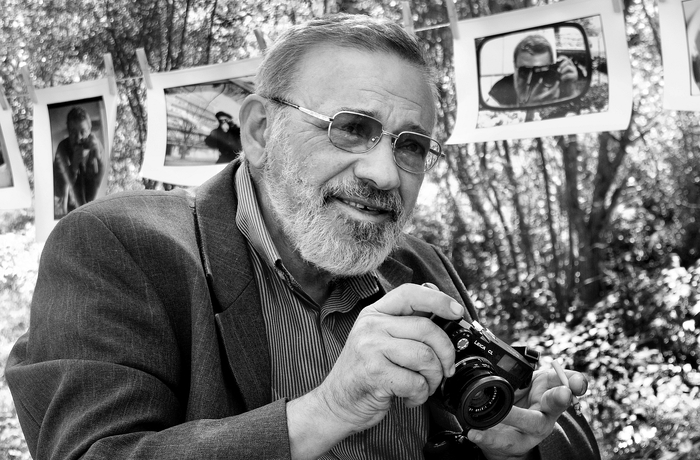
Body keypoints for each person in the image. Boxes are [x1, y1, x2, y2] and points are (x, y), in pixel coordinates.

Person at [6, 14, 600, 460]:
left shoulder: (419, 268)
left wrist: (511, 444)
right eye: (352, 129)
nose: (384, 174)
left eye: (412, 146)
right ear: (259, 131)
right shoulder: (120, 244)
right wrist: (328, 409)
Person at [488, 34, 580, 107]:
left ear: (552, 68)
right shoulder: (501, 88)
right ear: (514, 67)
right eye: (524, 72)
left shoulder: (561, 84)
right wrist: (530, 107)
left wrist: (571, 91)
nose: (532, 79)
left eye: (542, 72)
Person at [52, 106, 105, 218]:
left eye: (83, 131)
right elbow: (58, 190)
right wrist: (73, 167)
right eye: (73, 132)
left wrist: (99, 159)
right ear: (68, 131)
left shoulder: (96, 146)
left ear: (90, 130)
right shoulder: (62, 148)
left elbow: (103, 184)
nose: (78, 138)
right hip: (71, 213)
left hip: (94, 211)